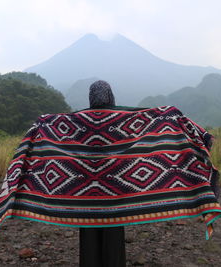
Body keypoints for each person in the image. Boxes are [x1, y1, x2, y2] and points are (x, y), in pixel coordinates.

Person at [0, 80, 221, 266]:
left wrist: (42, 125)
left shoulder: (74, 123)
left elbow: (45, 126)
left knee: (88, 243)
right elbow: (156, 122)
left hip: (84, 203)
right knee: (114, 244)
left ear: (91, 98)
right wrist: (174, 119)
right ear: (111, 97)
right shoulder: (124, 122)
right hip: (117, 200)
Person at [79, 80, 126, 267]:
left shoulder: (79, 122)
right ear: (110, 96)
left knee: (88, 238)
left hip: (86, 195)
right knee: (114, 238)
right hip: (114, 194)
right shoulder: (120, 122)